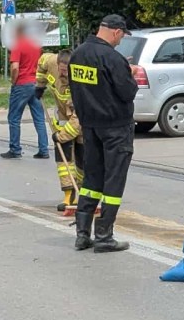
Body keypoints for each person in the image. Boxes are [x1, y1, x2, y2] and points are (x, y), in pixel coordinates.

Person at [68, 14, 139, 253]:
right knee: (114, 181)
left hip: (90, 127)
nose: (120, 41)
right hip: (116, 127)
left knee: (91, 180)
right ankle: (104, 235)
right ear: (117, 32)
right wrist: (130, 74)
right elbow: (126, 93)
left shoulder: (77, 54)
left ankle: (82, 234)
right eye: (121, 36)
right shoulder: (113, 58)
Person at [1, 22, 50, 160]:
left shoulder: (17, 45)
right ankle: (44, 150)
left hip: (22, 84)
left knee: (14, 118)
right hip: (35, 83)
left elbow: (15, 67)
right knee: (39, 118)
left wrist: (13, 81)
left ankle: (15, 149)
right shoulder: (35, 46)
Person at [49, 49, 86, 211]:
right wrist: (39, 85)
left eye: (66, 71)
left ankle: (84, 194)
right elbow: (41, 64)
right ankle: (68, 196)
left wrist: (60, 136)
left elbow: (78, 119)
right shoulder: (50, 62)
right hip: (63, 119)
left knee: (82, 161)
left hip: (83, 125)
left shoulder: (80, 84)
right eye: (61, 70)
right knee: (64, 163)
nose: (63, 74)